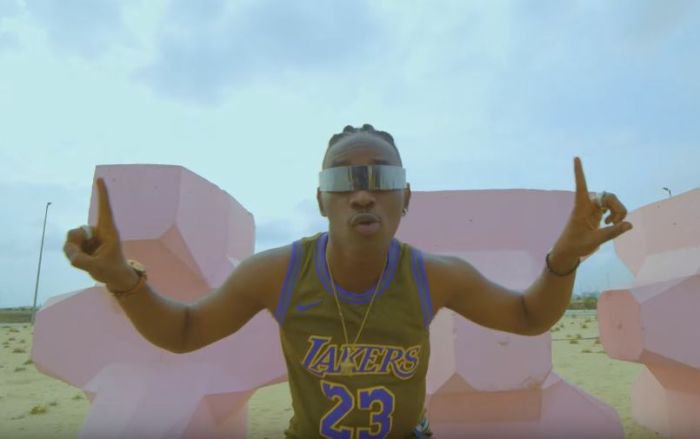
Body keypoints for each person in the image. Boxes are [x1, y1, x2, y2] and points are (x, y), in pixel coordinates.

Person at [63, 124, 632, 438]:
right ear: (321, 200)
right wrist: (123, 279)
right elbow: (185, 331)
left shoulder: (434, 276)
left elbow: (529, 317)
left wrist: (563, 259)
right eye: (343, 180)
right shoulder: (279, 273)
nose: (362, 193)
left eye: (381, 178)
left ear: (405, 198)